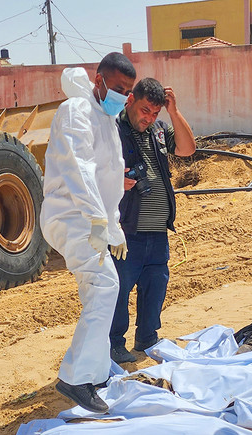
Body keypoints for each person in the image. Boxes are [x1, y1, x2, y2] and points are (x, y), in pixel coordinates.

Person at [41, 52, 136, 413]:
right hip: (70, 215)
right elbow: (77, 169)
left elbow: (107, 181)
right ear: (99, 82)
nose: (123, 97)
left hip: (89, 218)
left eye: (128, 92)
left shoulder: (107, 119)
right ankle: (76, 379)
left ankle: (94, 373)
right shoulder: (76, 111)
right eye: (118, 88)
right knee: (106, 285)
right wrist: (98, 221)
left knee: (97, 290)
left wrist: (114, 227)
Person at [108, 77, 196, 364]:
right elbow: (90, 168)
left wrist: (173, 112)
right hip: (126, 231)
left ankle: (147, 337)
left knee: (155, 284)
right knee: (119, 290)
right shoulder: (113, 129)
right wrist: (114, 181)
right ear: (131, 100)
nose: (149, 118)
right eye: (146, 110)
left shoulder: (159, 129)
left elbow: (186, 149)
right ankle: (113, 344)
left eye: (155, 113)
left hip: (158, 231)